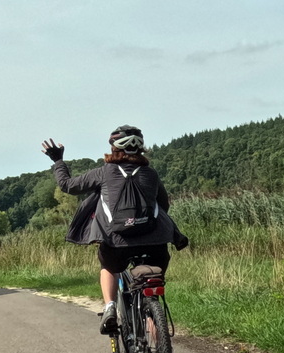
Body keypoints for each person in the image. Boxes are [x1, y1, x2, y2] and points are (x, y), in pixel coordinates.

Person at [43, 125, 188, 335]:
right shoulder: (151, 174)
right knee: (151, 291)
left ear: (113, 148)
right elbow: (163, 205)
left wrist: (58, 160)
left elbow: (67, 185)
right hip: (155, 242)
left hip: (117, 242)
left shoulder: (103, 173)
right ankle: (154, 327)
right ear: (141, 149)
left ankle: (110, 306)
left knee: (108, 265)